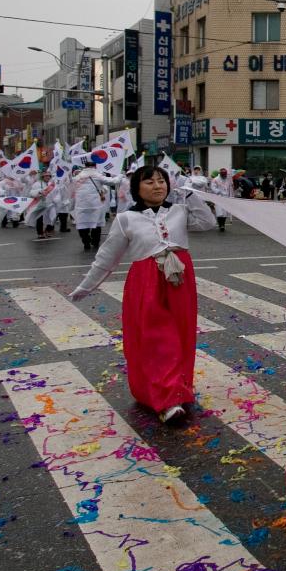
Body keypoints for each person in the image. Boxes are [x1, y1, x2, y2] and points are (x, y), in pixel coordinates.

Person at [69, 166, 217, 424]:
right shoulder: (126, 219)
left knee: (181, 335)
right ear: (136, 188)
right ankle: (166, 400)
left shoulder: (179, 211)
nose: (158, 186)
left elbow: (208, 222)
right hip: (146, 282)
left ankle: (177, 389)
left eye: (161, 181)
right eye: (149, 182)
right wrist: (87, 286)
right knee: (158, 339)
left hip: (179, 280)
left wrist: (192, 195)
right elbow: (107, 257)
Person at [71, 165, 112, 250]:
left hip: (81, 205)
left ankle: (86, 241)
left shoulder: (77, 177)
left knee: (82, 225)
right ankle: (95, 242)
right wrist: (120, 176)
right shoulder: (97, 175)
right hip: (95, 204)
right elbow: (110, 183)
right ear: (94, 166)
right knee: (96, 224)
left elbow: (72, 190)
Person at [28, 170, 59, 240]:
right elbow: (31, 193)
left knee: (53, 217)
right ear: (42, 177)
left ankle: (48, 230)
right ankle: (40, 233)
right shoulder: (37, 184)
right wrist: (39, 192)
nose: (47, 177)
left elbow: (57, 193)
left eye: (49, 176)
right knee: (39, 219)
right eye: (46, 176)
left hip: (51, 204)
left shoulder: (52, 184)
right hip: (40, 203)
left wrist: (56, 199)